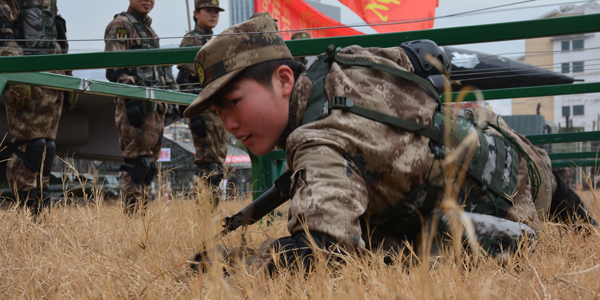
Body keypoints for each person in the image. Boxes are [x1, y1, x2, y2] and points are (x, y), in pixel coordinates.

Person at [185, 16, 596, 273]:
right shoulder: (344, 61)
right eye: (219, 112)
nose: (230, 123)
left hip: (498, 217)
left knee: (384, 252)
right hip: (524, 160)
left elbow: (324, 252)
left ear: (284, 80)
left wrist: (236, 264)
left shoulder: (317, 140)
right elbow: (422, 56)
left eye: (234, 102)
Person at [0, 0, 78, 213]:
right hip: (26, 78)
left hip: (52, 81)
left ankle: (40, 211)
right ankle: (25, 210)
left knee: (46, 148)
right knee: (30, 147)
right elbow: (4, 31)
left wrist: (68, 76)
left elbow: (58, 39)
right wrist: (16, 75)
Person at [104, 0, 179, 212]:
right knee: (136, 166)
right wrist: (130, 97)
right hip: (134, 107)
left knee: (149, 168)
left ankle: (141, 224)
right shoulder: (120, 25)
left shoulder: (149, 31)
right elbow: (115, 67)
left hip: (154, 109)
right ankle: (133, 222)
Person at [176, 0, 229, 207]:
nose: (214, 14)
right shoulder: (192, 39)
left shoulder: (213, 39)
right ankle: (204, 219)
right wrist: (193, 114)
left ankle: (211, 215)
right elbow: (184, 79)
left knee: (217, 167)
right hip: (203, 110)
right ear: (196, 13)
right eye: (208, 10)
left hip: (217, 110)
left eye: (216, 11)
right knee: (208, 168)